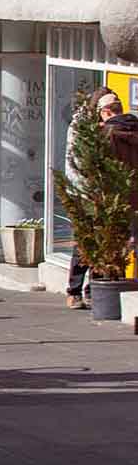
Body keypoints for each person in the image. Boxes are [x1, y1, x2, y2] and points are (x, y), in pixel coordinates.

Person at [65, 89, 138, 308]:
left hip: (93, 194)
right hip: (126, 197)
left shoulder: (100, 133)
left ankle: (79, 290)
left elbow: (83, 165)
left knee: (87, 242)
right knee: (111, 242)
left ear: (104, 112)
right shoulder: (131, 129)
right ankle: (93, 288)